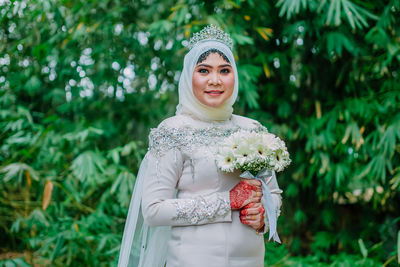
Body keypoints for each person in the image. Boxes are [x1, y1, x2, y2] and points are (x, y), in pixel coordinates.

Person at [118, 25, 283, 267]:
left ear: (234, 76)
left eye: (224, 70)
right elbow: (153, 211)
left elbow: (273, 194)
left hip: (250, 259)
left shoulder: (252, 129)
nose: (215, 80)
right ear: (188, 77)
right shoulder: (173, 131)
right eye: (204, 70)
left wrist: (263, 218)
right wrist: (228, 201)